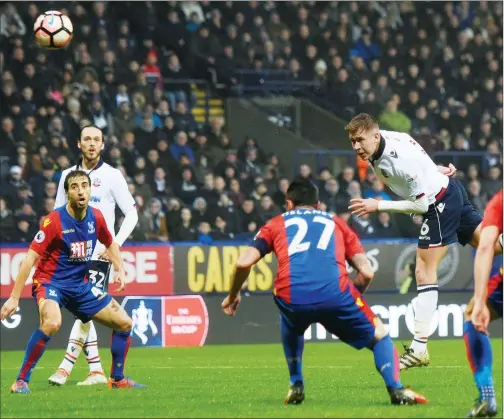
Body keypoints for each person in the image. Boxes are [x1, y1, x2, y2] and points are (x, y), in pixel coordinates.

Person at [221, 177, 427, 406]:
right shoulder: (336, 222)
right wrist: (351, 298)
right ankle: (396, 389)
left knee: (290, 321)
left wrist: (233, 296)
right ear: (317, 204)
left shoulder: (275, 224)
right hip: (335, 294)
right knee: (380, 337)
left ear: (288, 204)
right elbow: (367, 272)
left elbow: (242, 263)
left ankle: (296, 383)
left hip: (291, 295)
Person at [344, 113, 501, 370]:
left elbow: (422, 204)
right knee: (490, 245)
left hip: (438, 202)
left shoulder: (396, 161)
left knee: (423, 271)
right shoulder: (389, 140)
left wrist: (378, 204)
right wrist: (433, 171)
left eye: (360, 140)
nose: (356, 147)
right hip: (447, 187)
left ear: (375, 135)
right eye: (352, 141)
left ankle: (419, 347)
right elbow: (415, 152)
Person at [1, 170, 145, 393]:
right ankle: (21, 381)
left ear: (90, 190)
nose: (80, 191)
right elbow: (29, 258)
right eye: (75, 186)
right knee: (52, 323)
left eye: (84, 185)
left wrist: (120, 268)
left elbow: (110, 243)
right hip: (51, 283)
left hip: (80, 286)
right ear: (67, 193)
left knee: (124, 323)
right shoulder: (54, 221)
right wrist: (14, 297)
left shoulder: (96, 217)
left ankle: (117, 379)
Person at [48, 125, 138, 386]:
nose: (91, 143)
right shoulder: (67, 175)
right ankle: (96, 371)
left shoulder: (112, 176)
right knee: (84, 313)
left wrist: (115, 245)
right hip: (71, 257)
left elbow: (131, 213)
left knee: (86, 312)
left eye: (96, 139)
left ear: (102, 145)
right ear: (79, 144)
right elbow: (56, 215)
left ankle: (65, 368)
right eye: (87, 139)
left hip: (98, 254)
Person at [464, 189, 503, 418]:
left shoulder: (499, 201)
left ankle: (487, 396)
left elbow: (487, 247)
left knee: (473, 314)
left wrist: (480, 301)